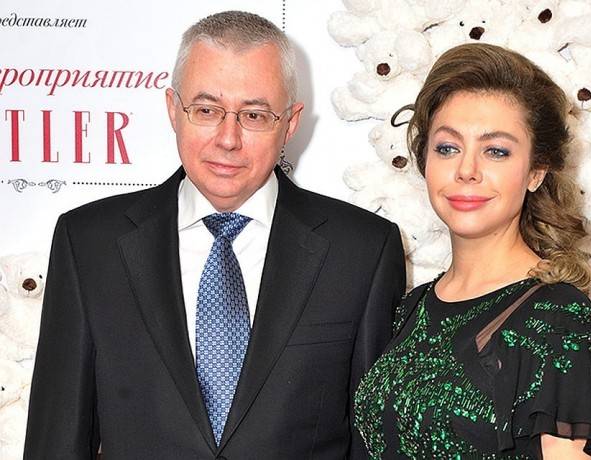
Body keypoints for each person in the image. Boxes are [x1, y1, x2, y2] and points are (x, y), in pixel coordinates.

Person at [24, 10, 405, 459]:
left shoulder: (362, 251)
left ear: (290, 122)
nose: (228, 139)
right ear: (173, 109)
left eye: (255, 115)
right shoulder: (89, 243)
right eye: (206, 110)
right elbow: (57, 440)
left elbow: (373, 443)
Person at [354, 43, 591, 459]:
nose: (466, 170)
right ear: (425, 161)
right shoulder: (414, 307)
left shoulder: (555, 315)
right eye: (447, 148)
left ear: (536, 171)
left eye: (496, 151)